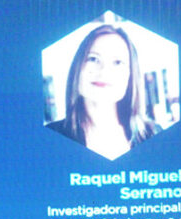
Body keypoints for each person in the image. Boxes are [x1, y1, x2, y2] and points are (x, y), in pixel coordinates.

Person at [46, 24, 160, 160]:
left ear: (130, 76)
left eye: (117, 62)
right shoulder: (49, 136)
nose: (104, 71)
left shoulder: (153, 133)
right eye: (93, 59)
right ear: (77, 68)